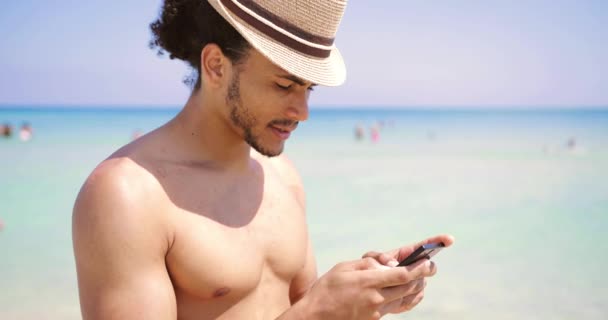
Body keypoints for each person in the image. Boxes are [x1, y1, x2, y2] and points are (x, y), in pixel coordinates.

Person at [72, 1, 454, 319]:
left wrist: (359, 291)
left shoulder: (283, 178)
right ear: (216, 66)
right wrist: (317, 313)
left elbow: (301, 309)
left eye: (308, 89)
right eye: (284, 85)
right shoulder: (128, 195)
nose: (302, 111)